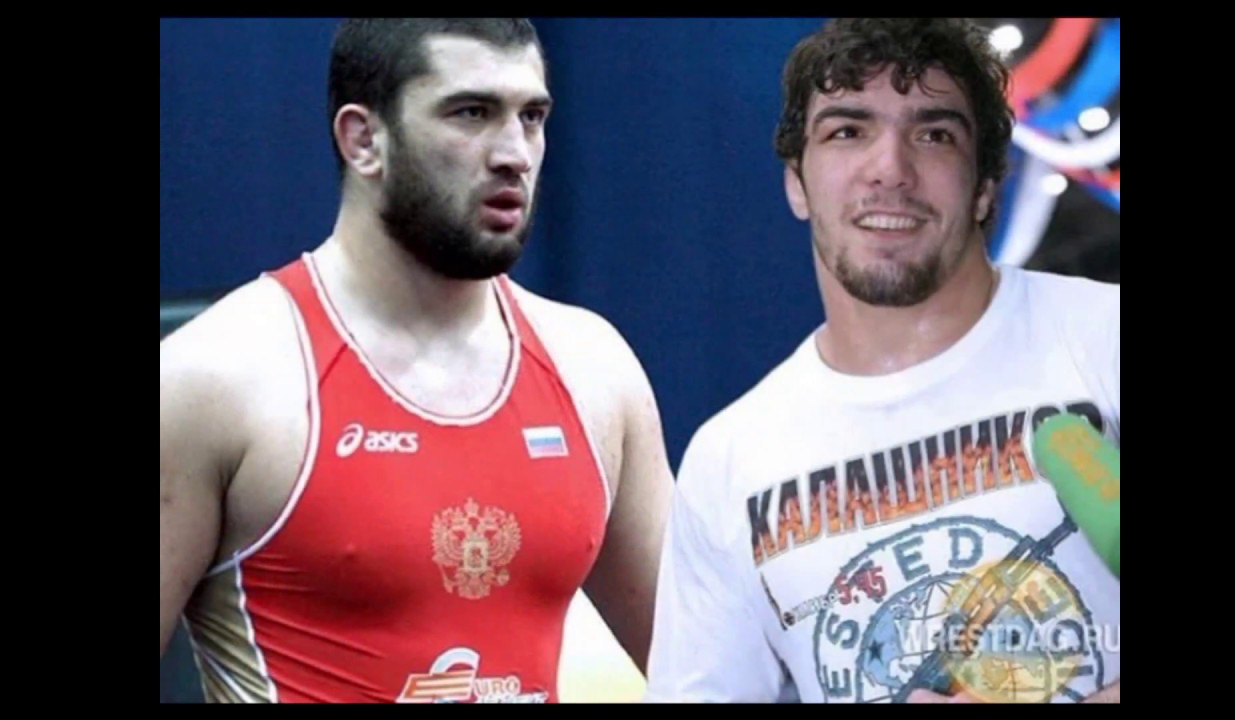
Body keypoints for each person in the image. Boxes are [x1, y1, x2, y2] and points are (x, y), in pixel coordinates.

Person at [159, 18, 674, 703]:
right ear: (363, 140)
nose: (514, 154)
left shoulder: (594, 370)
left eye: (531, 117)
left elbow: (712, 670)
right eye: (471, 113)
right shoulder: (216, 379)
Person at [643, 18, 1119, 704]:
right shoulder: (729, 461)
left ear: (986, 185)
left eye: (934, 135)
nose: (890, 169)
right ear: (796, 183)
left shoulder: (1105, 339)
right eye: (847, 131)